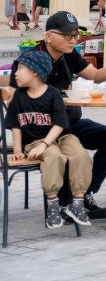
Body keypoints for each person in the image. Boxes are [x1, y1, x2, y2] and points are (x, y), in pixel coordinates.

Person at [30, 11, 106, 207]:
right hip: (43, 129)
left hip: (71, 122)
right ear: (49, 36)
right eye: (67, 35)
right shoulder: (32, 59)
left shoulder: (69, 55)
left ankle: (87, 191)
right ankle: (64, 203)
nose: (72, 40)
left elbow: (95, 75)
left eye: (75, 35)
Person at [3, 50, 92, 228]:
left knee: (81, 155)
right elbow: (15, 126)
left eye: (20, 68)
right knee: (54, 157)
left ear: (35, 72)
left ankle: (78, 202)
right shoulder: (19, 97)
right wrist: (19, 151)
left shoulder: (53, 94)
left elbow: (60, 124)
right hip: (35, 140)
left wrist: (46, 143)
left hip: (61, 136)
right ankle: (53, 204)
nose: (15, 73)